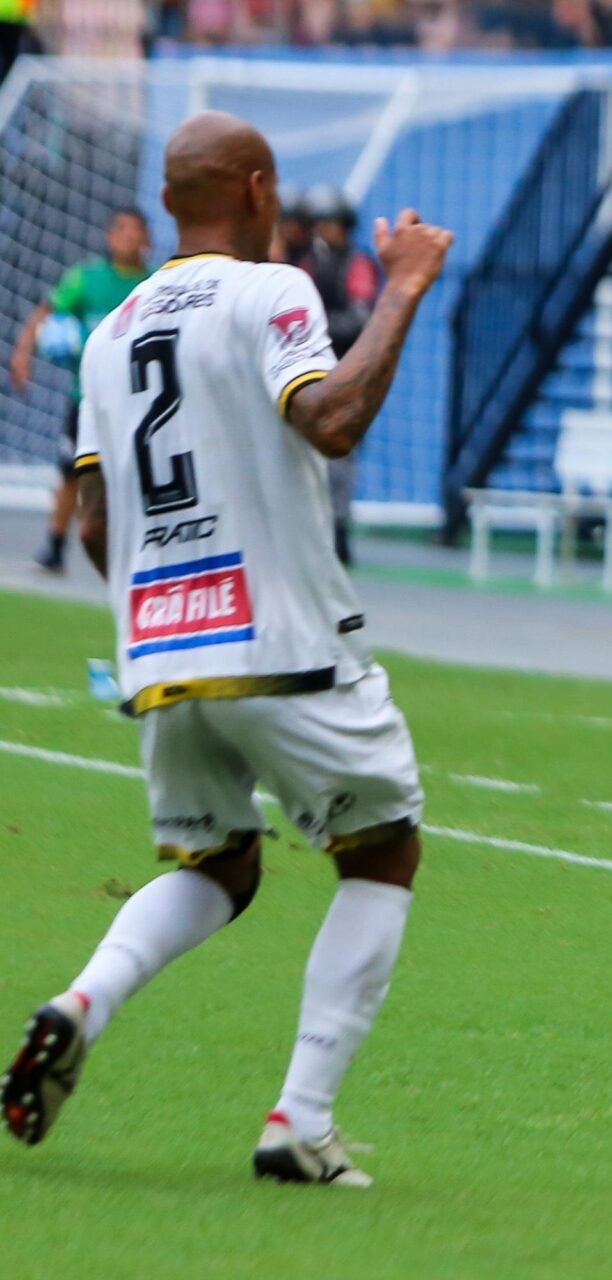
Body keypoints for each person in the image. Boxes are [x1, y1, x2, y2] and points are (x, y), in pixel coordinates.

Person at [0, 112, 452, 1186]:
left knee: (219, 862)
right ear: (257, 188)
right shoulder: (276, 290)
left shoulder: (113, 331)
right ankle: (300, 1118)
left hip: (160, 647)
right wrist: (403, 286)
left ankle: (83, 1001)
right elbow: (332, 418)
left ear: (167, 201)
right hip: (283, 637)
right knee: (382, 847)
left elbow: (99, 518)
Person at [10, 208, 152, 574]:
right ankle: (55, 547)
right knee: (71, 472)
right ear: (109, 236)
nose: (129, 238)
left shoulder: (153, 284)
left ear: (147, 239)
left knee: (136, 476)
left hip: (138, 400)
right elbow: (45, 311)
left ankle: (140, 552)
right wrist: (23, 354)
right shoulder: (86, 279)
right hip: (86, 398)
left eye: (136, 232)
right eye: (122, 230)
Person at [299, 185, 382, 568]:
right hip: (311, 369)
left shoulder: (358, 264)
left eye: (330, 223)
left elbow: (360, 317)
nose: (323, 230)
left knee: (341, 457)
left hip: (347, 370)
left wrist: (317, 325)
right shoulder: (308, 263)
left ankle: (337, 528)